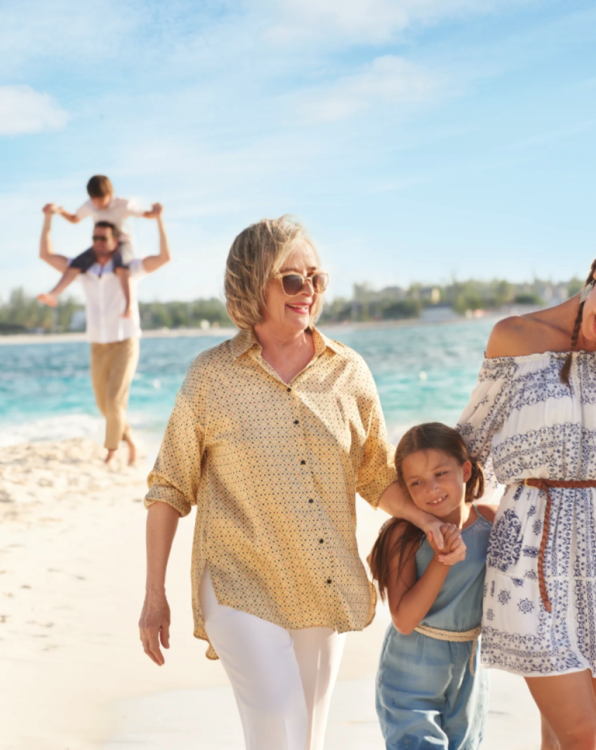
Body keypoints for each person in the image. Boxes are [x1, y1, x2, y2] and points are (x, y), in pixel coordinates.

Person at [137, 216, 455, 750]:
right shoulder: (211, 377)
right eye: (291, 279)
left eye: (316, 278)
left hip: (320, 582)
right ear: (251, 282)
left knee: (305, 739)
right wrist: (154, 595)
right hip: (239, 580)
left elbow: (375, 473)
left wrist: (427, 520)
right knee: (279, 727)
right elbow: (169, 488)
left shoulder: (348, 372)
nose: (307, 291)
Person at [457, 236, 596, 750]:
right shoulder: (515, 336)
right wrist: (434, 516)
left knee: (561, 736)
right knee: (584, 735)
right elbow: (468, 447)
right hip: (530, 561)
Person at [368, 422, 497, 750]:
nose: (431, 489)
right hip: (411, 669)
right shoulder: (405, 535)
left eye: (441, 473)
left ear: (465, 470)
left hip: (470, 670)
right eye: (416, 482)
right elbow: (404, 620)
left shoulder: (491, 523)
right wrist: (442, 559)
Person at [37, 203, 171, 465]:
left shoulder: (130, 268)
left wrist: (159, 221)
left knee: (114, 401)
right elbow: (46, 254)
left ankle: (111, 451)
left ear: (115, 240)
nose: (98, 242)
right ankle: (130, 440)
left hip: (125, 342)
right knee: (104, 405)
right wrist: (48, 219)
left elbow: (164, 257)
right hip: (98, 343)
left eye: (103, 238)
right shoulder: (83, 270)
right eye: (94, 238)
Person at [39, 175, 162, 315]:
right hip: (101, 242)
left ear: (111, 194)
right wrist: (60, 211)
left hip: (122, 243)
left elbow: (147, 214)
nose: (99, 206)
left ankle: (129, 306)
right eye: (95, 202)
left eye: (102, 202)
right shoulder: (89, 205)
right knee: (77, 264)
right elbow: (74, 219)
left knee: (122, 266)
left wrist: (156, 211)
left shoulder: (124, 205)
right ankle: (54, 294)